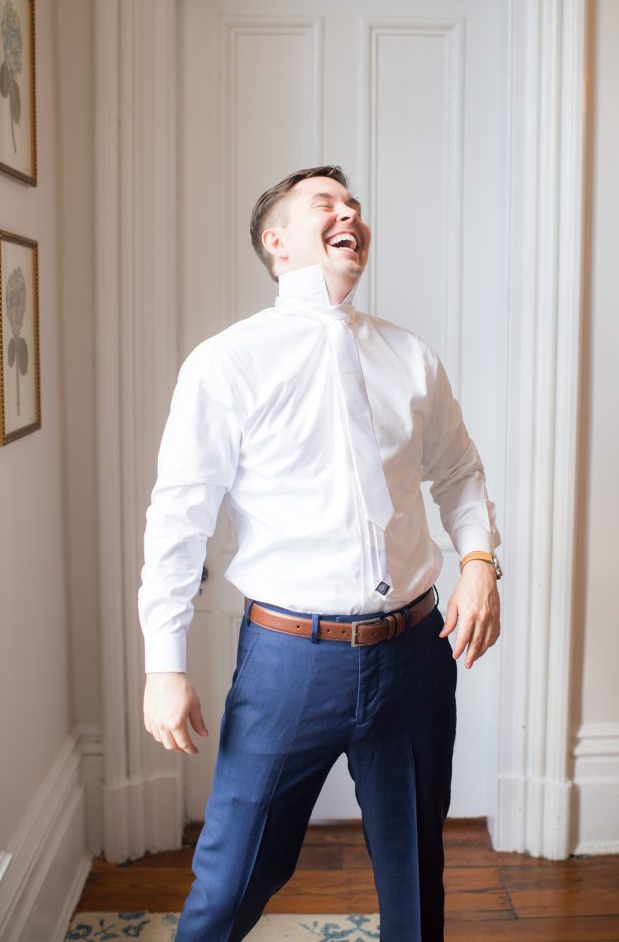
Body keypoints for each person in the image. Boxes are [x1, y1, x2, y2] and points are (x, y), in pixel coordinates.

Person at [139, 165, 502, 942]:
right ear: (277, 242)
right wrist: (163, 665)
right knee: (232, 877)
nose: (350, 214)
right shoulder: (226, 363)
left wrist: (477, 565)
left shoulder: (410, 356)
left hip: (414, 653)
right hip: (288, 664)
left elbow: (460, 474)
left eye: (354, 205)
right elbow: (179, 519)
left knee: (413, 877)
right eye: (324, 204)